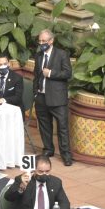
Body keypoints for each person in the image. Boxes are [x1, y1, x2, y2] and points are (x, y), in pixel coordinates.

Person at [33, 29, 73, 166]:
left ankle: (66, 155)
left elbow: (67, 73)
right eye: (40, 41)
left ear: (51, 41)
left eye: (44, 41)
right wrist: (35, 93)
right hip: (41, 96)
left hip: (57, 98)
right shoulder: (38, 55)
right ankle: (48, 149)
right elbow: (36, 76)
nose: (41, 43)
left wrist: (50, 73)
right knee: (44, 126)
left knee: (62, 127)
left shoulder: (61, 54)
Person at [4, 155, 70, 209]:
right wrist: (21, 186)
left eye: (47, 171)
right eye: (40, 171)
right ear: (34, 170)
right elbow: (8, 197)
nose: (44, 174)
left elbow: (65, 203)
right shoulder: (23, 179)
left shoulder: (55, 182)